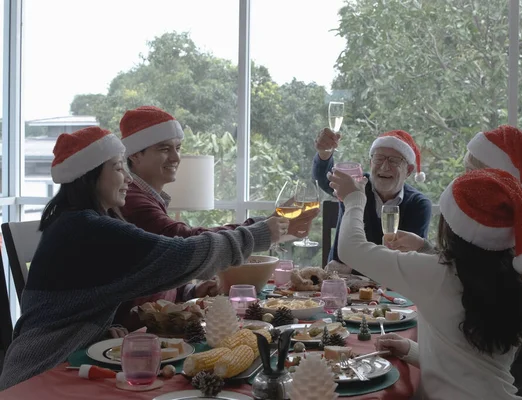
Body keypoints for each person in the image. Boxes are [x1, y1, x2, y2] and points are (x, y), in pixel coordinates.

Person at [0, 127, 287, 390]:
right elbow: (180, 256)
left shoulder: (79, 222)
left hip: (74, 358)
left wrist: (97, 329)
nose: (127, 177)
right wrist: (258, 234)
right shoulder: (89, 229)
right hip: (41, 372)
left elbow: (78, 303)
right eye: (117, 168)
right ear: (90, 176)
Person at [330, 167, 522, 400]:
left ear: (450, 226)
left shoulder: (437, 274)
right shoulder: (512, 277)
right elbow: (472, 363)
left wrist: (354, 198)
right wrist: (411, 351)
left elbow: (351, 249)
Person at [385, 125, 522, 400]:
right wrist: (426, 248)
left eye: (470, 172)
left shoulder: (519, 245)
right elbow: (470, 280)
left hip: (511, 389)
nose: (463, 181)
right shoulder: (515, 233)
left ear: (495, 181)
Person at [115, 106, 318, 329]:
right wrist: (262, 227)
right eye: (164, 149)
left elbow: (160, 267)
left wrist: (189, 291)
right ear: (134, 154)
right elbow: (185, 241)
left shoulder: (147, 196)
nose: (176, 157)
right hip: (136, 332)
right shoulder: (133, 202)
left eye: (178, 148)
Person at [313, 128, 431, 270]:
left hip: (387, 289)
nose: (385, 166)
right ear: (370, 163)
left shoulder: (418, 205)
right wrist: (324, 153)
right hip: (340, 282)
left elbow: (405, 265)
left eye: (394, 161)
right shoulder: (356, 185)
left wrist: (353, 270)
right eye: (379, 158)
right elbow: (323, 178)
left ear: (409, 171)